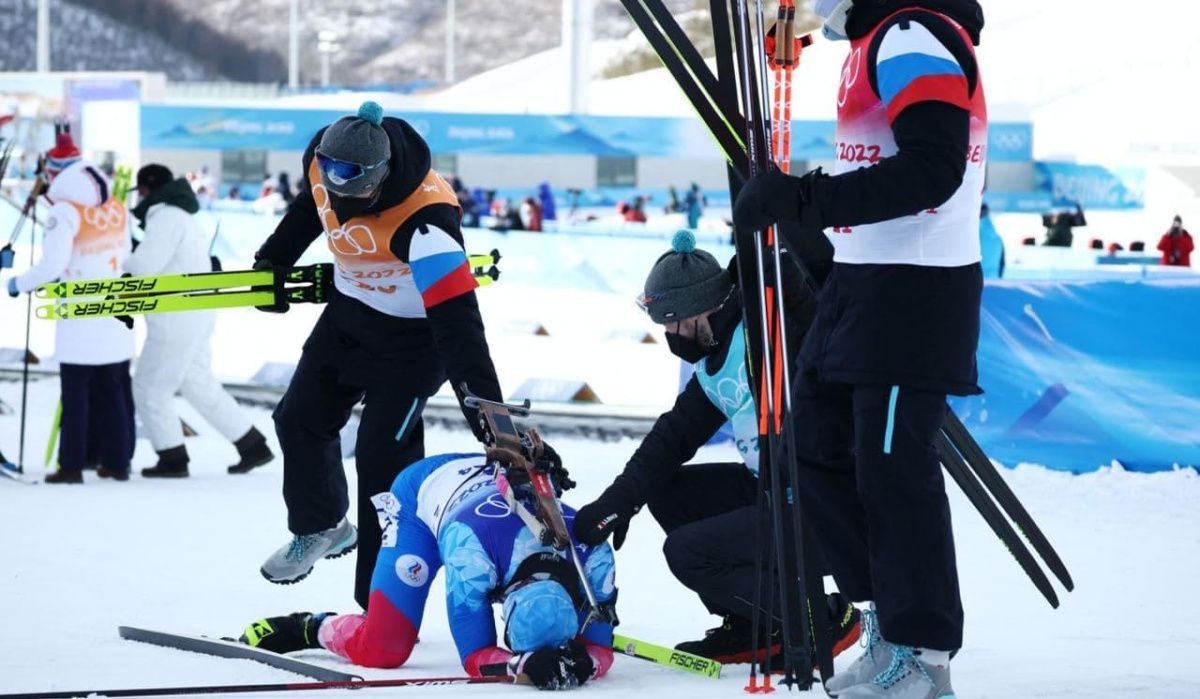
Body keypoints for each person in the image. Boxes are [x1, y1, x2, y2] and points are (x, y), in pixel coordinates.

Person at [732, 1, 988, 696]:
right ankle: (889, 622)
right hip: (864, 281)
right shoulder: (875, 38)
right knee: (814, 444)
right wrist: (803, 211)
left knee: (892, 471)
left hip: (916, 291)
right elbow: (881, 162)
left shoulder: (910, 34)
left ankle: (926, 653)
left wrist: (806, 200)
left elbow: (934, 169)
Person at [253, 101, 514, 611]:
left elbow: (462, 330)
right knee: (299, 419)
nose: (344, 203)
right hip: (349, 315)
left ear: (383, 175)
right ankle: (323, 525)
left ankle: (381, 601)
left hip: (417, 341)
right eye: (335, 186)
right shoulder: (322, 159)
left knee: (382, 461)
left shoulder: (428, 223)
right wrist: (275, 259)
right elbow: (312, 207)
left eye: (359, 196)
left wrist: (492, 421)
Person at [573, 230, 860, 665]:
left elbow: (805, 301)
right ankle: (751, 623)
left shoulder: (768, 334)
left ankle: (821, 616)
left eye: (672, 322)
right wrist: (619, 501)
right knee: (668, 492)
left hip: (819, 503)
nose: (671, 335)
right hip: (770, 488)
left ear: (698, 309)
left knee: (689, 552)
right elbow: (672, 437)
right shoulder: (712, 363)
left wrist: (780, 256)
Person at [239, 449, 615, 691]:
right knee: (384, 649)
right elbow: (476, 657)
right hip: (423, 499)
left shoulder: (593, 555)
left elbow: (598, 644)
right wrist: (522, 664)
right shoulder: (472, 559)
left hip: (489, 487)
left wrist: (585, 660)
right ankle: (311, 626)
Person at [126, 164, 274, 478]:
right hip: (197, 311)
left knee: (150, 387)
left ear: (147, 190)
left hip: (175, 315)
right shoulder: (182, 216)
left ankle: (172, 457)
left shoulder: (165, 217)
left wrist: (126, 257)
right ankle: (252, 445)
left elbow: (144, 267)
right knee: (196, 382)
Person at [3, 133, 135, 483]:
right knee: (113, 391)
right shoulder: (115, 203)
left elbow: (52, 264)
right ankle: (117, 463)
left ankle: (71, 465)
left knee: (75, 394)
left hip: (80, 312)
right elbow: (126, 251)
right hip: (114, 307)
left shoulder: (64, 211)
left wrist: (18, 283)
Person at [979, 202, 1004, 278]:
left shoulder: (970, 234)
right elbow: (1002, 263)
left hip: (975, 280)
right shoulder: (998, 238)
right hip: (993, 280)